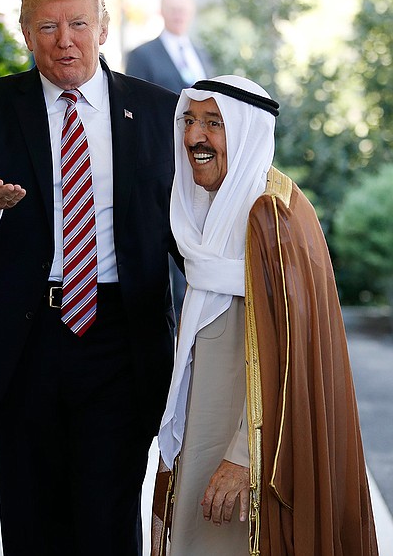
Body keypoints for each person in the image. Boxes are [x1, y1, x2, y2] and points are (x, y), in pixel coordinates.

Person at [0, 0, 181, 556]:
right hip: (25, 335)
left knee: (108, 510)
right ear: (24, 31)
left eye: (78, 23)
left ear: (103, 27)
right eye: (47, 26)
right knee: (30, 510)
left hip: (120, 335)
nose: (64, 39)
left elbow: (182, 224)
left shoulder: (157, 109)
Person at [151, 75, 379, 555]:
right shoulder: (209, 212)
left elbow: (292, 358)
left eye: (214, 123)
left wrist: (242, 457)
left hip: (254, 457)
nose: (195, 137)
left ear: (247, 132)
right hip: (205, 439)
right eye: (189, 121)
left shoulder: (269, 216)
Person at [126, 0, 214, 325]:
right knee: (171, 236)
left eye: (183, 9)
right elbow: (135, 112)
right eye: (172, 9)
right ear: (162, 12)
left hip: (202, 164)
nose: (178, 15)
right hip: (163, 162)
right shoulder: (142, 54)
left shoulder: (201, 53)